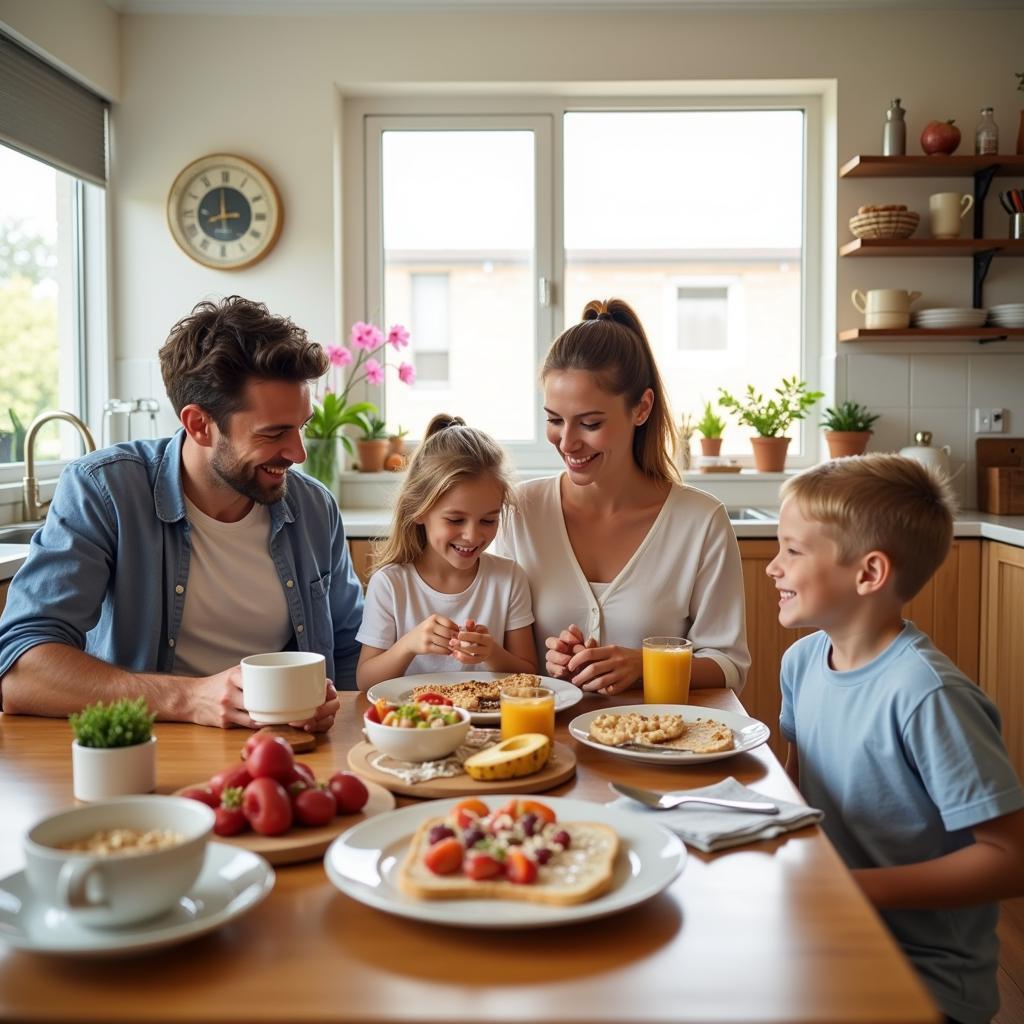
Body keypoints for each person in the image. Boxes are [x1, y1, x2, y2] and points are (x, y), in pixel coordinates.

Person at [0, 295, 364, 731]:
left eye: (301, 426)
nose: (298, 453)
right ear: (198, 424)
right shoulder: (104, 492)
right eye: (274, 433)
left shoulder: (313, 507)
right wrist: (190, 699)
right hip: (146, 752)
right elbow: (20, 672)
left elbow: (352, 654)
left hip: (283, 753)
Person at [768, 454, 1024, 1024]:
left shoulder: (927, 695)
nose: (773, 567)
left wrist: (850, 890)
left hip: (924, 975)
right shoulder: (803, 660)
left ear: (869, 573)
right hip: (832, 929)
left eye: (793, 549)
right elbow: (796, 785)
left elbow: (1010, 860)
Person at [493, 298, 749, 696]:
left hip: (659, 745)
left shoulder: (701, 522)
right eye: (554, 420)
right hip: (544, 740)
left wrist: (645, 666)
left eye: (590, 423)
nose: (567, 442)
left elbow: (729, 664)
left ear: (642, 408)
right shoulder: (517, 513)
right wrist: (547, 665)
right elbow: (500, 651)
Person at [356, 414, 536, 690]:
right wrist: (408, 645)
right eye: (455, 520)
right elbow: (365, 681)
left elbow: (530, 674)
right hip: (419, 725)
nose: (473, 536)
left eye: (488, 520)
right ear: (419, 511)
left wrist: (492, 654)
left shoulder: (508, 578)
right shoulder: (391, 584)